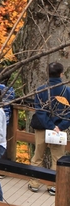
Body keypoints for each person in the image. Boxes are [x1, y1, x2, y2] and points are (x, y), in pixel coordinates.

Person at [28, 62, 70, 195]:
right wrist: (59, 126)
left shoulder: (41, 90)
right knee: (57, 158)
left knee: (38, 156)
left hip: (42, 128)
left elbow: (40, 112)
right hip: (59, 130)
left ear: (48, 73)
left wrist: (49, 126)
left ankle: (35, 183)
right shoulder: (67, 91)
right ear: (61, 74)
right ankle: (53, 185)